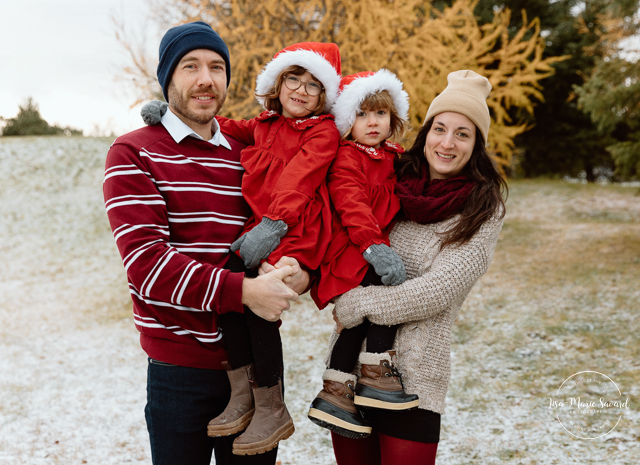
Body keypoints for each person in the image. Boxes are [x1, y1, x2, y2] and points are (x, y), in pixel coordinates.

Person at [103, 21, 309, 465]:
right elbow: (147, 265)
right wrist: (244, 292)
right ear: (168, 78)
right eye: (190, 66)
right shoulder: (134, 152)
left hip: (258, 370)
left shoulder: (247, 151)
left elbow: (291, 222)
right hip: (180, 376)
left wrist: (297, 273)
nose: (206, 79)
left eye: (217, 67)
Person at [140, 42, 342, 455]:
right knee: (238, 287)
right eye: (293, 78)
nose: (301, 91)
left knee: (256, 301)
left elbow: (300, 179)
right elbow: (228, 125)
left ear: (326, 97)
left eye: (313, 86)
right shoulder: (264, 126)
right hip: (180, 364)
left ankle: (271, 402)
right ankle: (244, 393)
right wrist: (165, 116)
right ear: (277, 81)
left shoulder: (322, 132)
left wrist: (278, 234)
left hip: (293, 227)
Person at [328, 70, 507, 465]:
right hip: (347, 374)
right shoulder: (392, 177)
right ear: (425, 133)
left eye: (463, 133)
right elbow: (340, 234)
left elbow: (435, 292)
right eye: (439, 128)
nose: (446, 142)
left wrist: (352, 303)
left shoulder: (482, 209)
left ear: (476, 145)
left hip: (414, 381)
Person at [306, 70, 419, 440]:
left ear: (393, 119)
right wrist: (376, 249)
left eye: (381, 114)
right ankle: (375, 371)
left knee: (356, 324)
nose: (373, 122)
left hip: (367, 250)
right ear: (346, 121)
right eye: (362, 114)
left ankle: (335, 391)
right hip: (351, 251)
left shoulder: (392, 157)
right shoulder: (346, 159)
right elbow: (353, 207)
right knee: (384, 295)